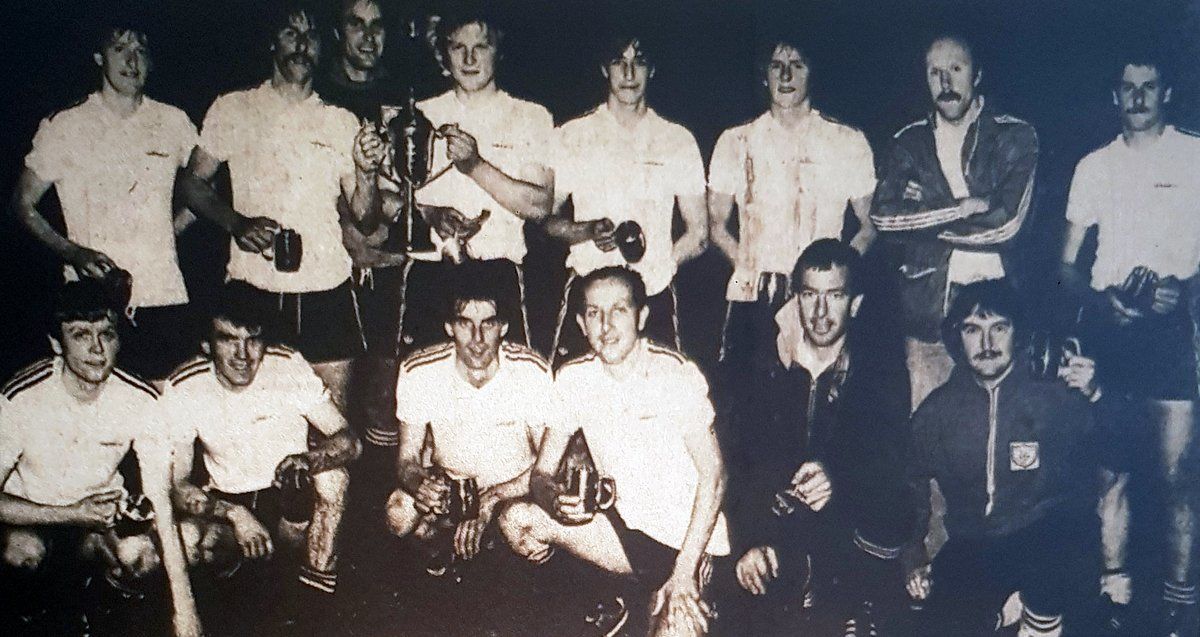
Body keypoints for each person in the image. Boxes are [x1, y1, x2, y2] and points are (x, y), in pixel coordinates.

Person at [499, 266, 729, 636]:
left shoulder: (674, 374)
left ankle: (643, 602)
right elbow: (542, 473)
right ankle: (601, 595)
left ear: (641, 316)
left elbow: (715, 476)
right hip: (623, 534)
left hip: (685, 543)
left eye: (618, 310)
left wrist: (685, 572)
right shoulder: (574, 378)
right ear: (581, 323)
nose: (606, 325)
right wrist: (553, 500)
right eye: (594, 313)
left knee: (675, 632)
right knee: (517, 522)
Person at [180, 4, 384, 408]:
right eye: (292, 33)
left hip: (326, 291)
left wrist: (366, 173)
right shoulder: (234, 108)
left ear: (324, 47)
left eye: (311, 36)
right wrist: (236, 223)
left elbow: (365, 217)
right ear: (273, 42)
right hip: (255, 290)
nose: (302, 45)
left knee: (333, 422)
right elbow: (190, 183)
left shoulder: (341, 121)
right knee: (255, 419)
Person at [1059, 51, 1200, 636]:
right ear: (1114, 96)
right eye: (1127, 87)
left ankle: (1181, 604)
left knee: (1176, 476)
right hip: (1110, 331)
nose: (1137, 97)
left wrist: (1184, 290)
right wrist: (1102, 302)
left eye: (1148, 86)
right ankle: (1114, 596)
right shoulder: (1093, 166)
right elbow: (1067, 266)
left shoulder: (1194, 156)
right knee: (1110, 473)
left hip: (1170, 334)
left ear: (1166, 93)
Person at [721, 239, 911, 636]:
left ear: (855, 304)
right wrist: (749, 541)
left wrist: (837, 476)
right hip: (780, 530)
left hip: (849, 534)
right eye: (810, 295)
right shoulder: (766, 366)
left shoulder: (879, 374)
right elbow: (740, 465)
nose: (821, 312)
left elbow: (891, 462)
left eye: (835, 296)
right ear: (796, 299)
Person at [0, 279, 200, 637]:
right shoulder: (21, 396)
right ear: (56, 343)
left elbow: (161, 503)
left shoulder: (140, 398)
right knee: (21, 552)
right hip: (33, 521)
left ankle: (102, 610)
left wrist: (185, 611)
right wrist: (70, 513)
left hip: (98, 526)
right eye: (80, 335)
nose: (97, 349)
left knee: (140, 554)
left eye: (106, 334)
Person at [903, 280, 1098, 637]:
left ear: (1017, 333)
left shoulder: (1052, 396)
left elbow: (1113, 451)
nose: (987, 344)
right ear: (957, 337)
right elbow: (909, 482)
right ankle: (1002, 615)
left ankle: (1038, 621)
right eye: (972, 330)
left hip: (1041, 536)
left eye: (999, 328)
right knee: (935, 625)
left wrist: (1096, 393)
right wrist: (914, 555)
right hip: (975, 542)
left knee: (1061, 542)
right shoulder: (938, 411)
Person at [12, 19, 199, 381]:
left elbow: (205, 190)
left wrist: (169, 230)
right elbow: (22, 203)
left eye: (140, 51)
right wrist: (73, 252)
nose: (132, 61)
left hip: (162, 293)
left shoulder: (173, 121)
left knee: (161, 401)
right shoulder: (65, 124)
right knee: (94, 403)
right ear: (99, 57)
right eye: (120, 49)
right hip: (92, 301)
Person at [165, 285, 360, 625]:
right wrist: (234, 514)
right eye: (228, 340)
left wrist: (309, 460)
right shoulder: (185, 385)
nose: (243, 354)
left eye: (253, 340)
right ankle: (235, 588)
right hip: (229, 504)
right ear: (207, 345)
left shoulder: (286, 366)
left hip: (289, 498)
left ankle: (316, 595)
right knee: (190, 539)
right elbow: (178, 486)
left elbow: (350, 441)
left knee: (332, 477)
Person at [870, 34, 1038, 411]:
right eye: (935, 73)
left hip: (1000, 311)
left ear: (977, 75)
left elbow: (1006, 226)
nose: (946, 83)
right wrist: (958, 208)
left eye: (956, 69)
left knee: (1001, 424)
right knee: (930, 427)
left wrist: (920, 216)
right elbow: (882, 217)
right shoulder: (909, 141)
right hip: (930, 314)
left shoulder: (1014, 134)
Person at [709, 36, 877, 370]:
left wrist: (836, 276)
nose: (786, 76)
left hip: (821, 299)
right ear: (764, 74)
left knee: (820, 388)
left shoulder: (847, 141)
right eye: (776, 66)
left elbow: (870, 225)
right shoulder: (735, 141)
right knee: (747, 391)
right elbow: (716, 226)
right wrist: (750, 269)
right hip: (753, 295)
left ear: (812, 72)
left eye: (797, 65)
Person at [547, 35, 709, 367]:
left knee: (662, 389)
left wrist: (661, 264)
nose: (629, 74)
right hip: (589, 292)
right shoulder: (572, 134)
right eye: (619, 62)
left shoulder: (677, 140)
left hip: (652, 293)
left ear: (653, 69)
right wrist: (586, 231)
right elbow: (547, 221)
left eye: (640, 62)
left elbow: (699, 233)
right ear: (604, 68)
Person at [402, 8, 553, 353]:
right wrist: (430, 214)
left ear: (498, 49)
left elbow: (540, 206)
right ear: (444, 54)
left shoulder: (530, 116)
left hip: (498, 274)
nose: (469, 59)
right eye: (458, 47)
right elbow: (393, 198)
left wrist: (474, 166)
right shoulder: (420, 114)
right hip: (431, 274)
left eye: (481, 47)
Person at [384, 264, 551, 574]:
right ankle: (443, 555)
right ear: (449, 327)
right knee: (399, 511)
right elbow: (407, 460)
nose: (477, 339)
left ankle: (514, 569)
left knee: (526, 537)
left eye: (488, 324)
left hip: (514, 492)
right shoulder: (419, 369)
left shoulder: (531, 369)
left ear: (504, 326)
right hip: (452, 493)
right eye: (465, 324)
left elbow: (549, 465)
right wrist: (421, 485)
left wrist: (492, 498)